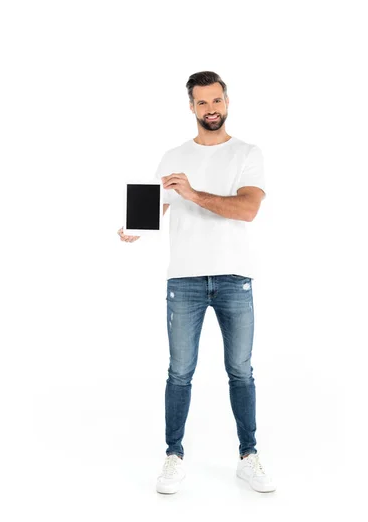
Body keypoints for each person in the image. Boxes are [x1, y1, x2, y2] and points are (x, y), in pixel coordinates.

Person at [117, 71, 276, 495]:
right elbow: (158, 205)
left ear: (227, 102)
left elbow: (247, 209)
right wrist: (136, 225)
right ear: (191, 107)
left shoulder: (248, 152)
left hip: (234, 277)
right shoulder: (172, 156)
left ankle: (248, 456)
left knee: (240, 370)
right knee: (180, 372)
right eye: (202, 103)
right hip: (183, 278)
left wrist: (192, 193)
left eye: (217, 101)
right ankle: (174, 456)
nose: (211, 110)